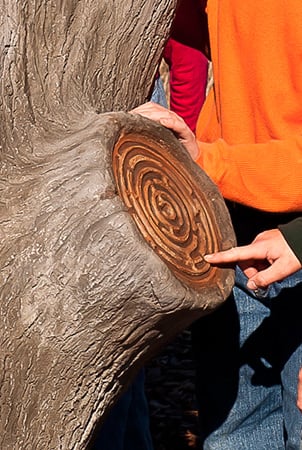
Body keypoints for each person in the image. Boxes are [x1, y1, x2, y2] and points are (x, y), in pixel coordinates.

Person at [131, 1, 302, 448]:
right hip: (230, 217)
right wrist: (199, 148)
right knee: (233, 435)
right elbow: (188, 37)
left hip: (292, 231)